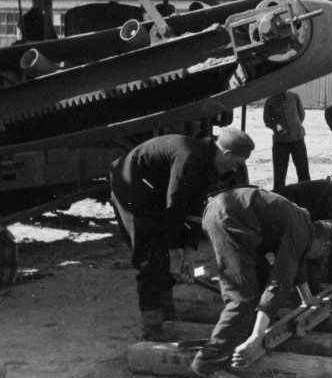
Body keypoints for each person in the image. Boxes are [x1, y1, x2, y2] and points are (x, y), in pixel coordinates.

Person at [107, 129, 255, 342]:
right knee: (153, 257)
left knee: (166, 255)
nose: (236, 168)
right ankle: (153, 329)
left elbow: (194, 210)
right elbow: (174, 206)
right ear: (225, 153)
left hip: (155, 190)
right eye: (237, 162)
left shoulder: (209, 163)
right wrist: (176, 254)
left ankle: (167, 315)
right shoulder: (192, 157)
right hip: (131, 186)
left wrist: (189, 253)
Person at [192, 187, 332, 378]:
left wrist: (308, 299)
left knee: (259, 281)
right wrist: (257, 338)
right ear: (323, 245)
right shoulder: (301, 230)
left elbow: (297, 266)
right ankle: (205, 365)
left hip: (232, 215)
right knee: (243, 297)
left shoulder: (302, 224)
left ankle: (240, 332)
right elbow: (281, 280)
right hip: (229, 219)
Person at [263, 90, 310, 189]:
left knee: (304, 174)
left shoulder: (294, 97)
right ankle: (279, 199)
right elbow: (267, 121)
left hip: (298, 140)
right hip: (280, 143)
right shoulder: (270, 101)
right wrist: (277, 127)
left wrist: (294, 128)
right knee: (279, 176)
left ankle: (306, 198)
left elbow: (301, 115)